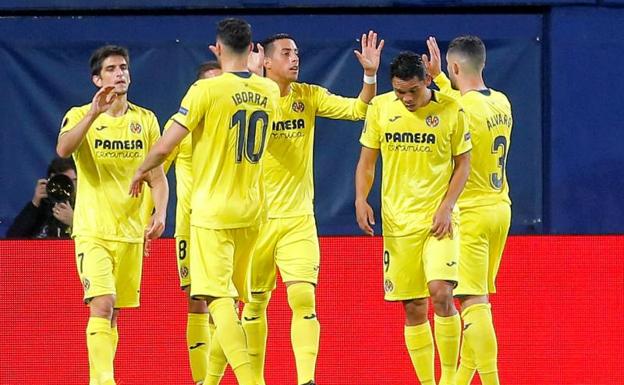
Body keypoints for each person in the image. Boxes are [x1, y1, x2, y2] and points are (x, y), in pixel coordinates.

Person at [221, 31, 383, 385]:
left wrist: (370, 75)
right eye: (285, 53)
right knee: (254, 305)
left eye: (296, 52)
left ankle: (306, 379)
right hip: (255, 220)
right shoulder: (247, 99)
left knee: (303, 296)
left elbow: (358, 109)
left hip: (297, 219)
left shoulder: (307, 96)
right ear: (263, 60)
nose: (294, 59)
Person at [129, 18, 281, 385]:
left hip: (212, 212)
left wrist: (139, 171)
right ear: (252, 50)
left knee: (217, 299)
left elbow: (165, 145)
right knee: (233, 300)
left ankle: (250, 379)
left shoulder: (204, 92)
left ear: (217, 48)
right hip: (253, 211)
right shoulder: (270, 90)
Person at [355, 51, 471, 385]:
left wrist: (448, 205)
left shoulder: (451, 110)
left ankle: (450, 378)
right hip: (398, 223)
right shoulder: (381, 108)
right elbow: (367, 162)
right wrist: (361, 199)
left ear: (427, 81)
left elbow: (463, 163)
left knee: (441, 293)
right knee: (413, 306)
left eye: (413, 91)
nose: (406, 98)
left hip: (439, 220)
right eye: (399, 92)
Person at [56, 45, 168, 385]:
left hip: (131, 232)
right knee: (102, 304)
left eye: (123, 68)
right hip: (93, 230)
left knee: (113, 312)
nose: (120, 74)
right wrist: (92, 115)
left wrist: (160, 212)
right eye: (111, 69)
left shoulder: (145, 119)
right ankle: (104, 381)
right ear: (96, 79)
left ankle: (101, 376)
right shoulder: (79, 115)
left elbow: (158, 175)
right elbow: (63, 149)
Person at [423, 36, 513, 385]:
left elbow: (445, 108)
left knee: (473, 303)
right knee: (479, 304)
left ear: (455, 67)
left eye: (449, 68)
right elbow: (460, 101)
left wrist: (435, 81)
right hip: (500, 207)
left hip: (471, 213)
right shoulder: (502, 102)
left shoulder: (459, 109)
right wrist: (443, 79)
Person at [162, 60, 225, 385]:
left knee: (227, 302)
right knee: (198, 299)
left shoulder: (234, 125)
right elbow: (157, 170)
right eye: (209, 86)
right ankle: (202, 380)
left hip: (228, 223)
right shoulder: (179, 126)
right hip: (190, 225)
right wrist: (150, 214)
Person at [7, 156, 77, 238]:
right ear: (51, 181)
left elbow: (94, 241)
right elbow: (12, 239)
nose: (67, 186)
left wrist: (74, 222)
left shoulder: (87, 208)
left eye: (71, 181)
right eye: (62, 181)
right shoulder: (43, 206)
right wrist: (34, 203)